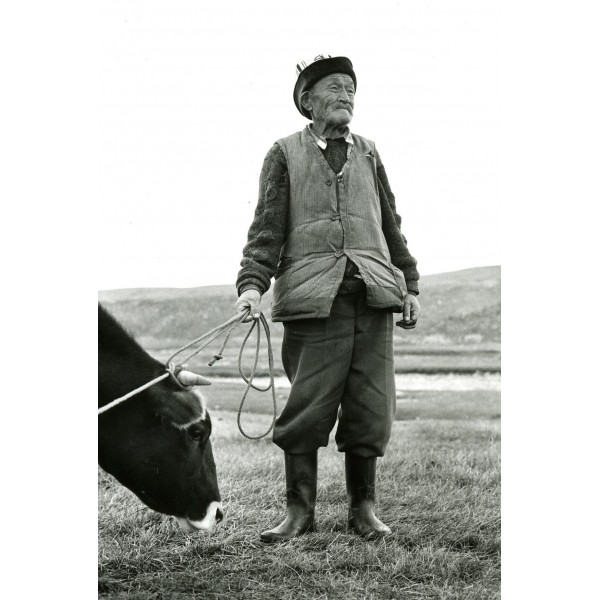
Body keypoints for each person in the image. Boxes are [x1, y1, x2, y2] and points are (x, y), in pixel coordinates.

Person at [235, 55, 421, 542]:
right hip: (314, 301)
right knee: (307, 408)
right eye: (335, 88)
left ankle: (364, 510)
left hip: (374, 296)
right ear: (307, 100)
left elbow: (390, 223)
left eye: (351, 89)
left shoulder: (369, 153)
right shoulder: (284, 153)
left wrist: (409, 284)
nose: (346, 96)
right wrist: (252, 287)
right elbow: (266, 229)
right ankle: (299, 513)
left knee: (371, 408)